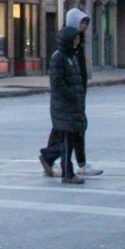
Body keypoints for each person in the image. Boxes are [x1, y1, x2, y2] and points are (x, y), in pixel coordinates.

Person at [39, 7, 103, 178]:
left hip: (76, 95)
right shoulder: (63, 50)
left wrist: (80, 90)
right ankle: (62, 163)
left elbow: (79, 71)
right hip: (68, 99)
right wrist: (72, 94)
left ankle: (56, 161)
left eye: (86, 23)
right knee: (69, 132)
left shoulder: (77, 43)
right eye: (82, 22)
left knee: (72, 131)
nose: (84, 26)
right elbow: (58, 81)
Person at [39, 24, 87, 185]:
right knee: (67, 140)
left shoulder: (71, 56)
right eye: (75, 39)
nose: (77, 42)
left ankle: (48, 156)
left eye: (78, 39)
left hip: (73, 105)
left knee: (70, 140)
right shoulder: (58, 58)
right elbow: (57, 83)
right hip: (64, 106)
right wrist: (72, 96)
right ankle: (67, 173)